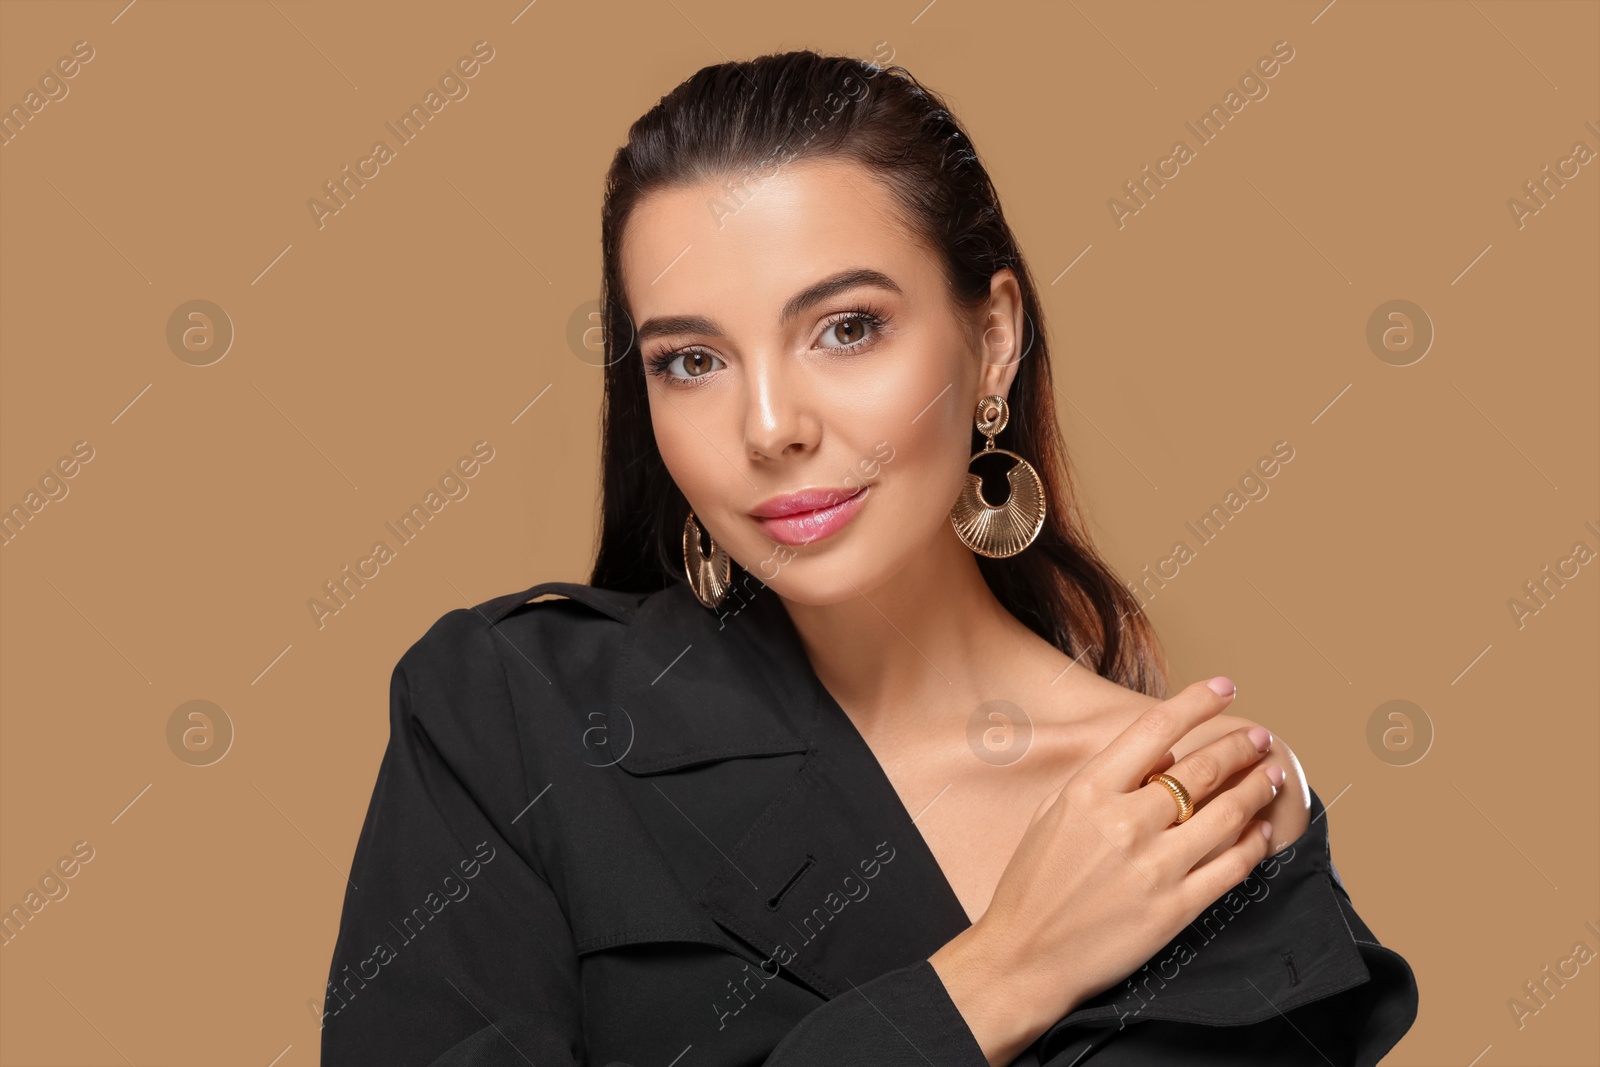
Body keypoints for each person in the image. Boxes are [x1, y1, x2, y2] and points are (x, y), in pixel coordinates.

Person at [321, 49, 1418, 1066]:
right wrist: (996, 976)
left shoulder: (1185, 814)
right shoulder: (514, 715)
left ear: (992, 339)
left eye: (845, 327)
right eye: (691, 359)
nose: (767, 426)